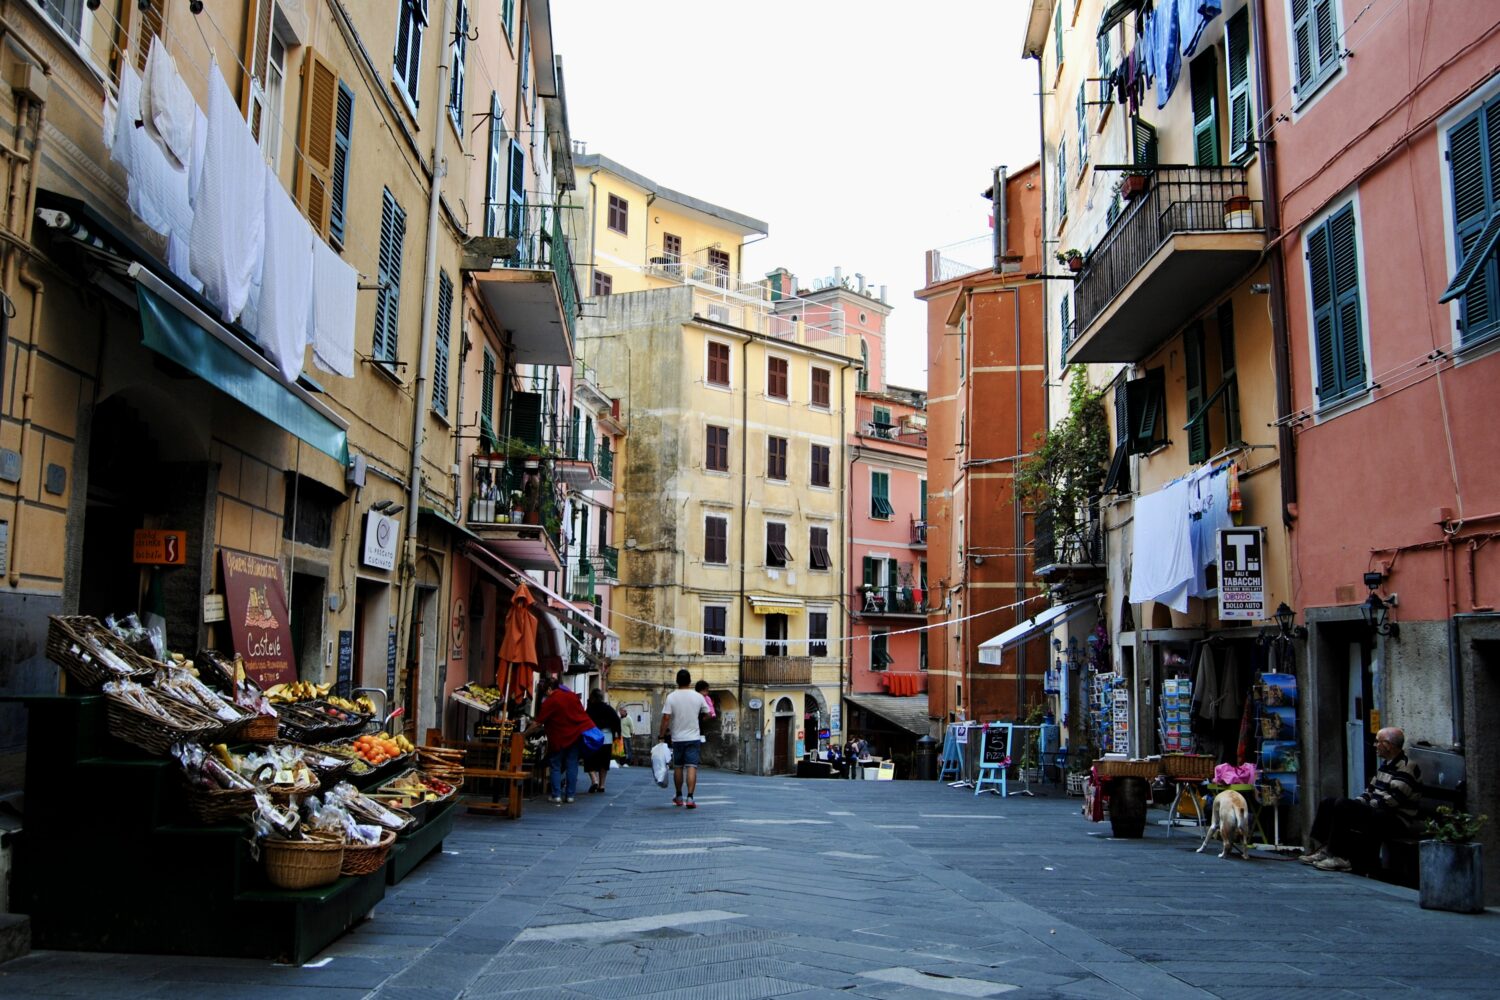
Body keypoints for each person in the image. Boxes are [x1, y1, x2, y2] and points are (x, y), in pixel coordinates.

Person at [1299, 726, 1422, 872]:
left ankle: (1340, 856)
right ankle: (1326, 849)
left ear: (1388, 745)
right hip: (1380, 812)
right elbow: (1370, 791)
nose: (1375, 745)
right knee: (1329, 802)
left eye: (1378, 742)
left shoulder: (1407, 768)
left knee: (1344, 806)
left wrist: (1362, 807)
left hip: (1396, 820)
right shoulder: (1385, 765)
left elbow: (1392, 801)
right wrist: (1358, 802)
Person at [522, 675, 594, 804]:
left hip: (559, 738)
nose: (546, 695)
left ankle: (556, 795)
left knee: (555, 765)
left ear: (549, 689)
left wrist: (524, 734)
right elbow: (581, 713)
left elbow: (538, 723)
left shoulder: (551, 701)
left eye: (546, 692)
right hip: (576, 736)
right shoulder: (572, 696)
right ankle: (570, 795)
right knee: (572, 764)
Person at [659, 668, 709, 809]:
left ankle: (679, 795)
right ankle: (691, 798)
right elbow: (708, 713)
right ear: (690, 681)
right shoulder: (698, 697)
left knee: (679, 767)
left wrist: (661, 735)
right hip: (693, 737)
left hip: (677, 738)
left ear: (677, 681)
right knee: (692, 766)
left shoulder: (671, 697)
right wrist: (699, 719)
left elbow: (666, 718)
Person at [584, 689, 622, 794]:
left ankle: (594, 780)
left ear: (592, 698)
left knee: (589, 759)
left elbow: (584, 720)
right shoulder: (608, 709)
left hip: (592, 738)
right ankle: (602, 785)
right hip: (606, 738)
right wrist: (617, 734)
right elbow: (617, 720)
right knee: (604, 762)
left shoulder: (590, 709)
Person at [695, 680, 716, 745]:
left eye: (707, 691)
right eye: (705, 691)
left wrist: (712, 713)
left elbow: (710, 706)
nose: (707, 693)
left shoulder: (706, 698)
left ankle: (701, 735)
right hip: (697, 714)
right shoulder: (695, 697)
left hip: (702, 713)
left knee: (700, 724)